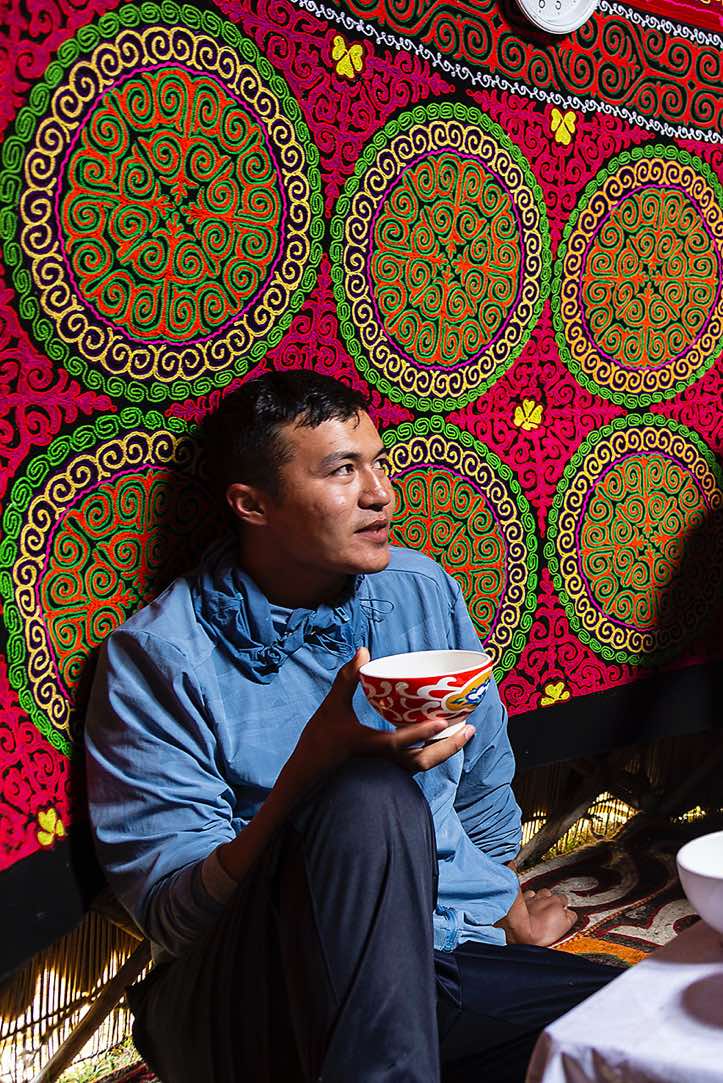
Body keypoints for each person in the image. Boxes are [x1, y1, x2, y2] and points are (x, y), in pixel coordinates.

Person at [85, 371, 614, 1083]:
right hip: (255, 999)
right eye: (342, 470)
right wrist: (308, 775)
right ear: (252, 504)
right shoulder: (163, 657)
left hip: (435, 967)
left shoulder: (419, 592)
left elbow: (482, 777)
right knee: (369, 793)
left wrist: (501, 902)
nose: (381, 493)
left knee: (643, 1025)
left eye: (378, 462)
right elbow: (176, 917)